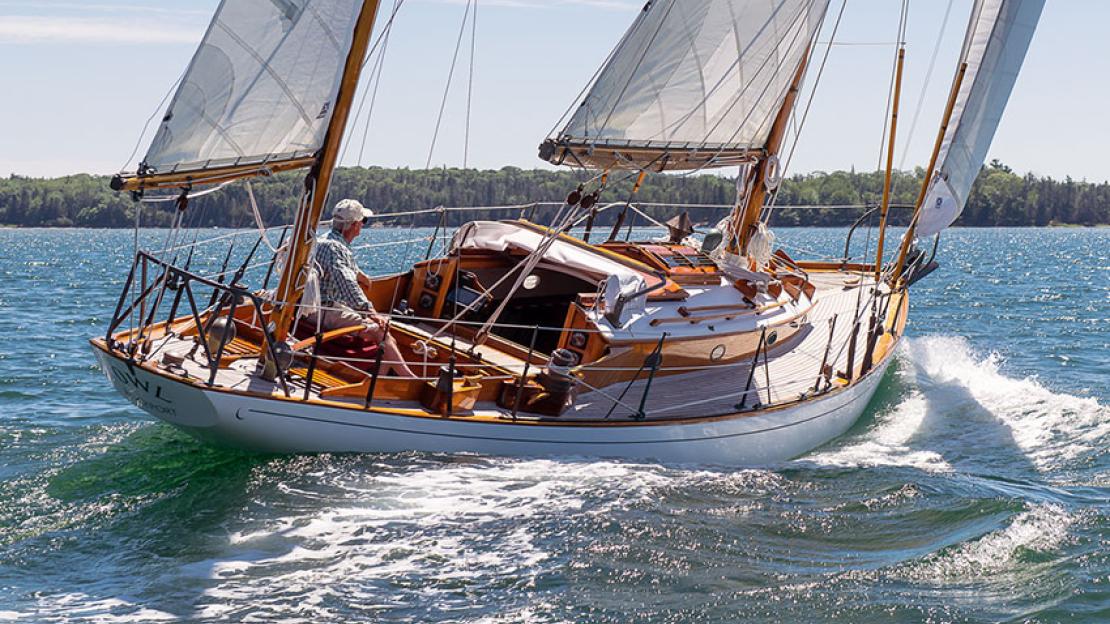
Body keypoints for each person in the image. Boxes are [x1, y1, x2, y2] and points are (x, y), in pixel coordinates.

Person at [308, 199, 415, 378]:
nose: (362, 227)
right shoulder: (336, 248)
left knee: (386, 334)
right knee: (381, 332)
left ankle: (378, 379)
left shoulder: (325, 241)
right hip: (323, 310)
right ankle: (410, 379)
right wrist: (370, 311)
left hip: (313, 305)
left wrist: (362, 276)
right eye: (363, 222)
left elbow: (342, 268)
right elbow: (346, 281)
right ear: (355, 225)